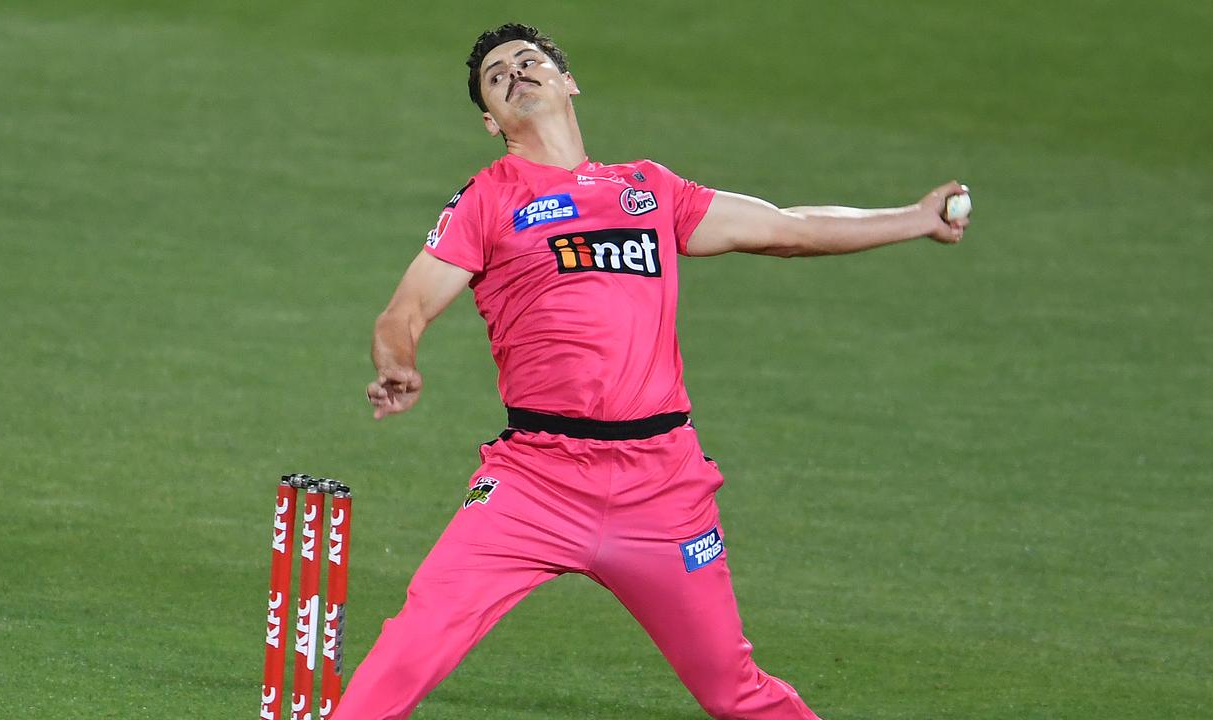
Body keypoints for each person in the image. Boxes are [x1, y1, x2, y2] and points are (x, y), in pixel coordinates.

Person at [340, 23, 969, 720]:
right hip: (535, 482)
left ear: (567, 80)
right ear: (491, 120)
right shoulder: (488, 199)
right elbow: (404, 311)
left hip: (662, 488)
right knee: (413, 645)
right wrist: (398, 363)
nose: (517, 73)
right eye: (497, 76)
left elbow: (789, 227)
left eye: (530, 61)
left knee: (734, 691)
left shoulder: (648, 191)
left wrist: (913, 219)